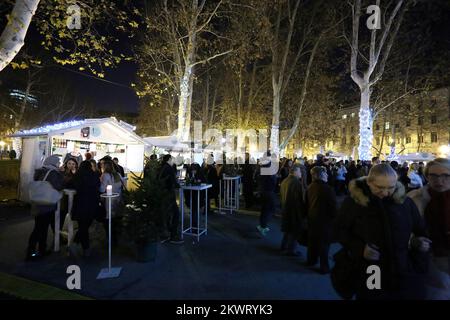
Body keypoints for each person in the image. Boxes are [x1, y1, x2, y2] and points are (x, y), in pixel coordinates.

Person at [336, 164, 431, 299]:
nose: (386, 193)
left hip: (402, 267)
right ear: (369, 182)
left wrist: (417, 243)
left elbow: (420, 229)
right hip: (371, 269)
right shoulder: (354, 203)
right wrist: (360, 249)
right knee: (372, 297)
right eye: (380, 188)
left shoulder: (405, 202)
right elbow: (340, 231)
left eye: (390, 187)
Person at [407, 158, 450, 299]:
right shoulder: (414, 199)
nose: (440, 181)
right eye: (434, 176)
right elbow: (401, 230)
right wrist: (413, 241)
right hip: (431, 260)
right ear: (427, 176)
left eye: (446, 176)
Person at [26, 155, 64, 260]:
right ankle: (33, 251)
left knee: (39, 227)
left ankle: (38, 250)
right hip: (47, 204)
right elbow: (59, 186)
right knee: (41, 229)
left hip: (37, 203)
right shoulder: (54, 173)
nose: (59, 164)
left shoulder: (40, 171)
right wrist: (61, 174)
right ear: (54, 163)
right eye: (58, 162)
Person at [305, 166, 337, 274]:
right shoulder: (327, 189)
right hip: (324, 221)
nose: (327, 175)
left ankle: (311, 260)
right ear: (320, 175)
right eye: (325, 173)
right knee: (324, 244)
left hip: (312, 218)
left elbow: (306, 203)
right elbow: (333, 207)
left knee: (313, 242)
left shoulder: (310, 187)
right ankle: (324, 267)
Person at [71, 160, 101, 257]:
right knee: (85, 226)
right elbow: (98, 187)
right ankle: (82, 247)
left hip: (80, 204)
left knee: (82, 227)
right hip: (92, 205)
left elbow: (72, 186)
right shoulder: (95, 175)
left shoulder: (78, 175)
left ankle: (82, 247)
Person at [280, 165, 307, 256]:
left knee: (288, 231)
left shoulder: (285, 181)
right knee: (294, 231)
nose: (301, 174)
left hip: (286, 209)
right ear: (294, 172)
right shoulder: (296, 183)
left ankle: (284, 246)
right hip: (293, 211)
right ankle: (291, 250)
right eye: (299, 172)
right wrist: (301, 212)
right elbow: (298, 199)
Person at [159, 154, 184, 244]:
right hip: (168, 194)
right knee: (175, 214)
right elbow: (173, 182)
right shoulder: (168, 168)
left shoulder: (162, 167)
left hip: (163, 194)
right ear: (169, 159)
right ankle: (173, 236)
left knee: (166, 214)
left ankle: (166, 234)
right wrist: (179, 185)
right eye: (172, 159)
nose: (173, 160)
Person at [257, 153, 278, 237]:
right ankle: (263, 226)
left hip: (265, 190)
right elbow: (270, 178)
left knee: (265, 209)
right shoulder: (267, 165)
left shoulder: (263, 165)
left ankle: (262, 225)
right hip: (268, 190)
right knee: (271, 208)